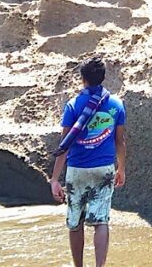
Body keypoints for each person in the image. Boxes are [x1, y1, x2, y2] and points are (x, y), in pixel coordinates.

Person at [50, 58, 127, 267]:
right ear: (103, 78)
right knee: (101, 221)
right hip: (104, 169)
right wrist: (121, 168)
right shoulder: (116, 105)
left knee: (76, 223)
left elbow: (64, 144)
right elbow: (119, 141)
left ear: (82, 79)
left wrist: (55, 179)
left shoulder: (73, 105)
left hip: (77, 170)